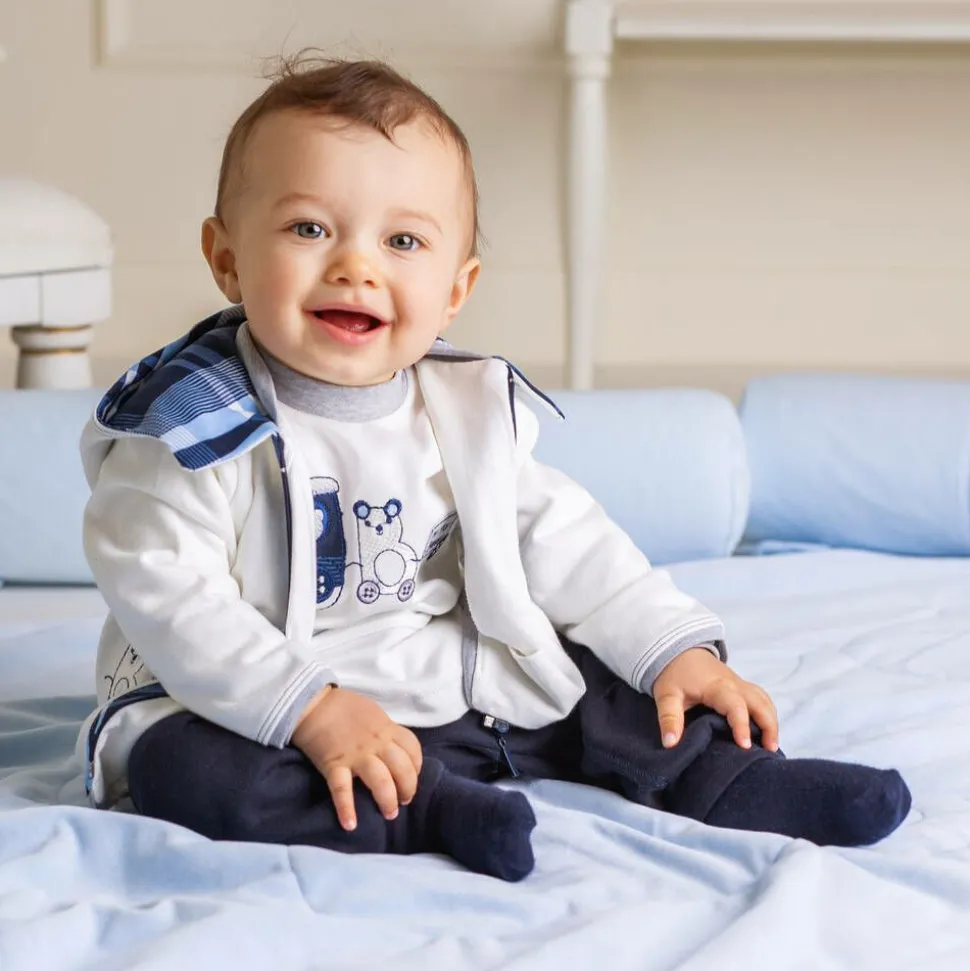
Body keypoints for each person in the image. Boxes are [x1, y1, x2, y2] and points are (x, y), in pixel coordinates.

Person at [77, 57, 911, 882]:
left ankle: (720, 773)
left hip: (449, 684)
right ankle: (424, 814)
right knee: (184, 771)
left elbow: (563, 536)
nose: (355, 266)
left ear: (455, 289)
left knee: (597, 676)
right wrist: (310, 706)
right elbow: (169, 597)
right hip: (261, 701)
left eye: (403, 240)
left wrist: (671, 650)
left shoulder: (461, 407)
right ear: (225, 259)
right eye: (309, 229)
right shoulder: (190, 427)